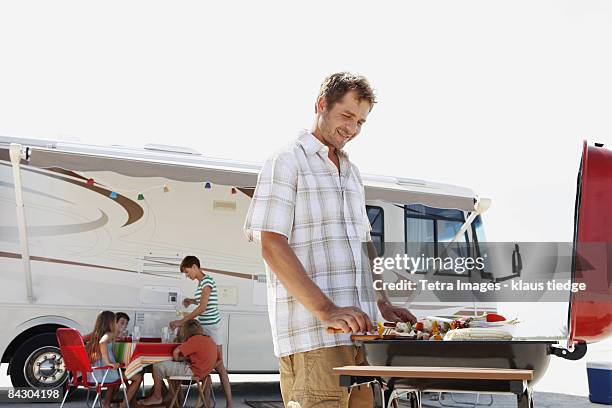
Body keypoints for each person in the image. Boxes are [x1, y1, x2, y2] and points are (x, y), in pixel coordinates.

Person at [243, 72, 417, 408]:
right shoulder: (286, 161)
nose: (352, 129)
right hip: (315, 339)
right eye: (347, 116)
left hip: (363, 339)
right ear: (321, 104)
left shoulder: (352, 173)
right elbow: (271, 244)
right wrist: (326, 310)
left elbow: (364, 247)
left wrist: (382, 303)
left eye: (361, 122)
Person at [169, 255, 233, 408]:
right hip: (203, 328)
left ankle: (230, 403)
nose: (187, 275)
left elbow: (203, 307)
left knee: (218, 365)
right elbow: (204, 300)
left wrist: (181, 321)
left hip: (212, 327)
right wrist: (192, 300)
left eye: (187, 272)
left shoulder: (207, 281)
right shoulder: (201, 284)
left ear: (195, 267)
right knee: (204, 363)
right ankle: (207, 401)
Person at [141, 319, 218, 406]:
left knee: (157, 366)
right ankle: (172, 396)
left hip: (193, 372)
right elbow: (215, 360)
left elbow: (175, 352)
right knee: (171, 368)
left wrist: (177, 360)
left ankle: (157, 396)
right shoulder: (210, 340)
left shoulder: (195, 339)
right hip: (204, 373)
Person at [86, 311, 143, 408]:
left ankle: (107, 402)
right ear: (111, 322)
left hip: (94, 374)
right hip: (105, 374)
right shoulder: (109, 334)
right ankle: (123, 405)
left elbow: (80, 339)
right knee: (138, 377)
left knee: (119, 373)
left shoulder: (96, 333)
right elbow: (102, 342)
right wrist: (109, 362)